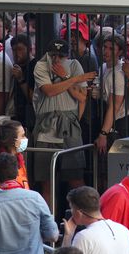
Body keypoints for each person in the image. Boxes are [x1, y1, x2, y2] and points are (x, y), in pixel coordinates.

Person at [32, 40, 93, 195]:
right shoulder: (41, 66)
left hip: (69, 127)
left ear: (67, 56)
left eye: (61, 56)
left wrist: (65, 76)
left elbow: (81, 97)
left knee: (76, 180)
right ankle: (49, 219)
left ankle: (85, 217)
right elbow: (49, 91)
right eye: (53, 55)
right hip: (46, 128)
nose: (57, 60)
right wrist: (74, 79)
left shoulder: (74, 65)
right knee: (46, 181)